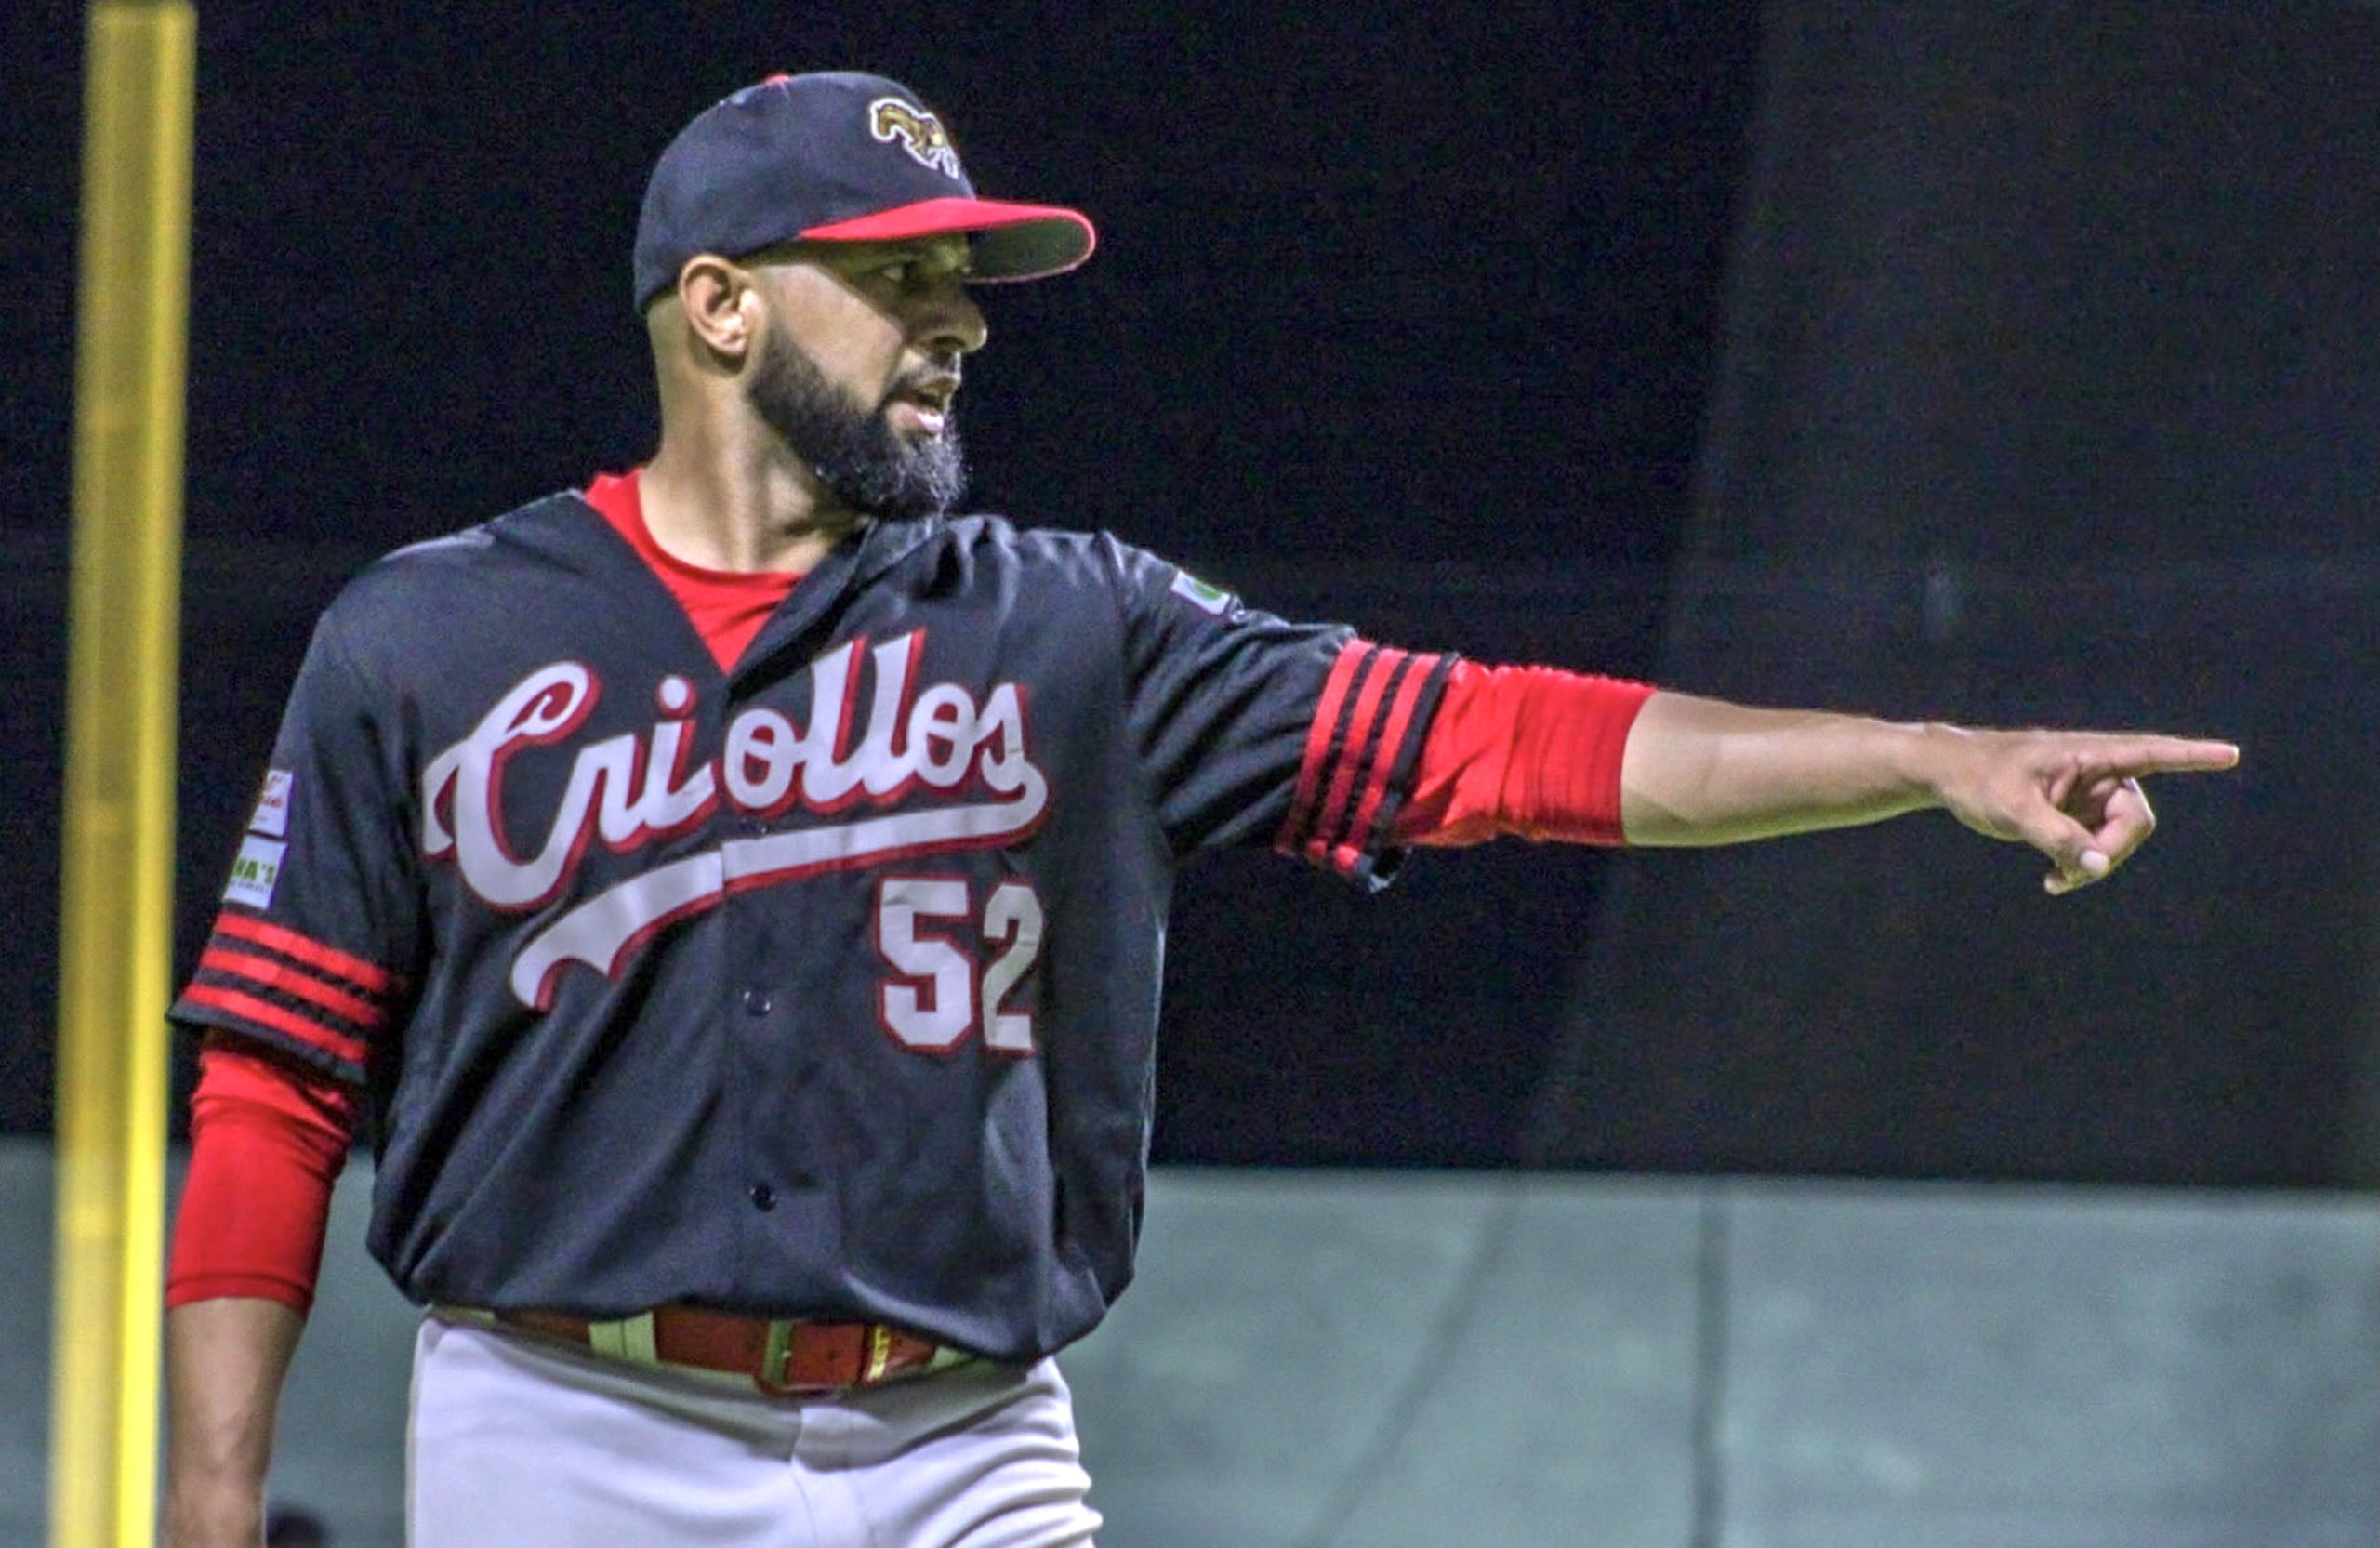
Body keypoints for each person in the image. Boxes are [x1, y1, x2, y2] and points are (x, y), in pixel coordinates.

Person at [158, 70, 2238, 1548]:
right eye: (899, 277)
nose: (958, 322)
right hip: (567, 1427)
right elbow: (274, 1085)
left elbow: (1505, 744)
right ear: (720, 303)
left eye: (966, 279)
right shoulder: (432, 638)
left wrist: (1923, 758)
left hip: (960, 1441)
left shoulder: (1078, 626)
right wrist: (209, 1501)